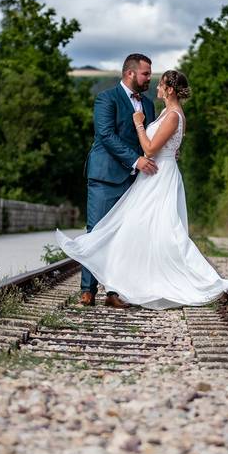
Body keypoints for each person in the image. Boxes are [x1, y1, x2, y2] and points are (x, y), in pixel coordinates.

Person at [57, 69, 228, 312]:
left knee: (162, 231)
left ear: (170, 89)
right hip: (154, 174)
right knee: (142, 230)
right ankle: (122, 285)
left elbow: (149, 149)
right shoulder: (166, 113)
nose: (156, 87)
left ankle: (166, 282)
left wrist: (139, 125)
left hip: (159, 176)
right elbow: (163, 145)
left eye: (161, 85)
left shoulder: (172, 116)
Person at [76, 53, 158, 307]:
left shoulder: (149, 104)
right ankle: (87, 290)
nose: (149, 78)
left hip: (135, 182)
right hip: (105, 176)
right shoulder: (106, 98)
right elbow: (106, 135)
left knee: (124, 237)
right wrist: (136, 160)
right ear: (130, 73)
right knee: (97, 232)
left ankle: (114, 292)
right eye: (145, 73)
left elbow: (151, 138)